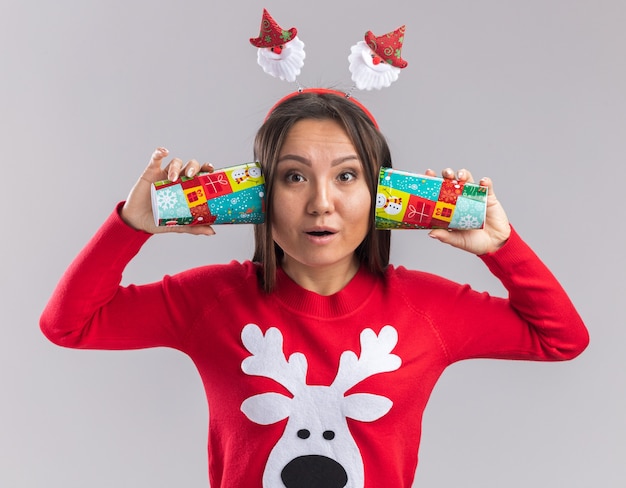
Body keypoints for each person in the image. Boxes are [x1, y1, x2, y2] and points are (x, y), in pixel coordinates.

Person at [40, 91, 589, 487]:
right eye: (293, 176)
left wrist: (502, 246)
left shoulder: (428, 309)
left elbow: (561, 338)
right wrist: (130, 226)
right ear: (257, 196)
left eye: (347, 176)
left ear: (381, 194)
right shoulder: (211, 301)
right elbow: (68, 324)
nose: (321, 203)